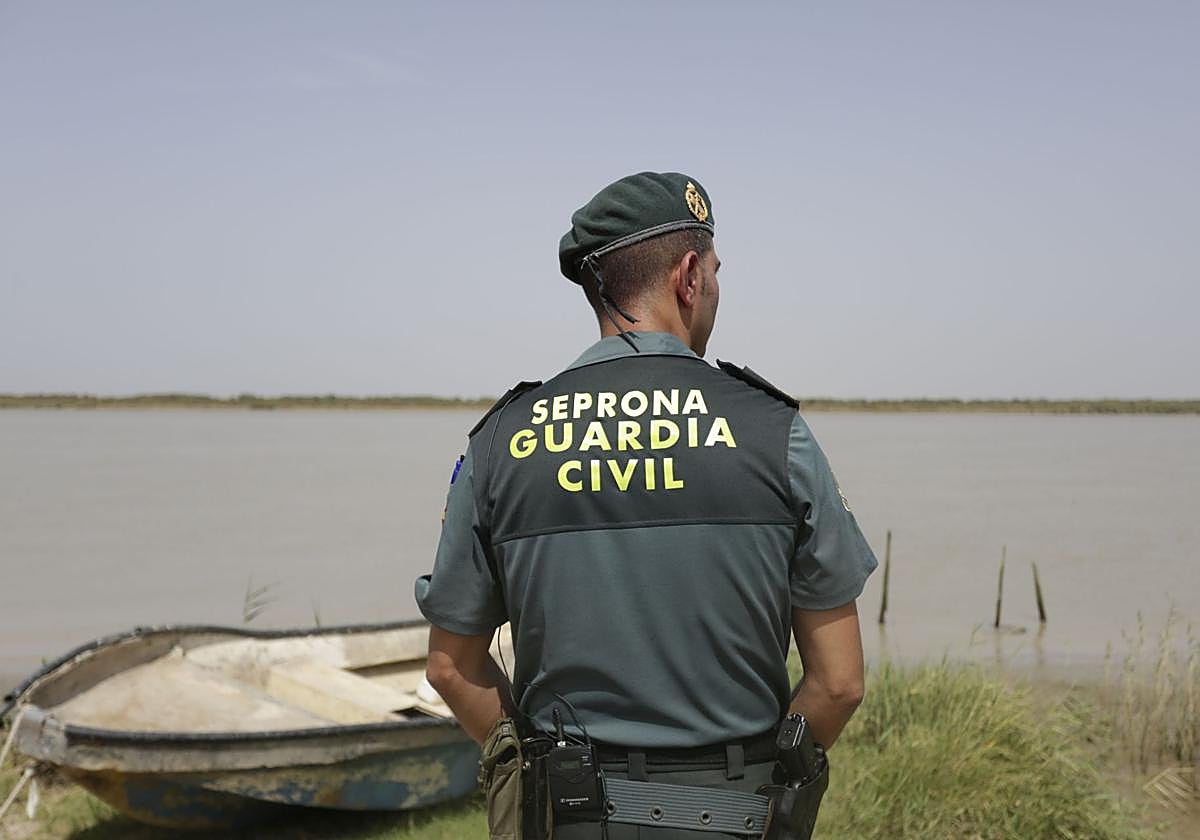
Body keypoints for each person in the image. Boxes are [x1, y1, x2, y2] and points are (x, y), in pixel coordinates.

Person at [415, 171, 877, 839]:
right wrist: (771, 790)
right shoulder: (776, 435)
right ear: (690, 276)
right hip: (737, 817)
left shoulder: (500, 443)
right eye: (715, 270)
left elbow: (450, 666)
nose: (716, 287)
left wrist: (536, 773)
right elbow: (838, 684)